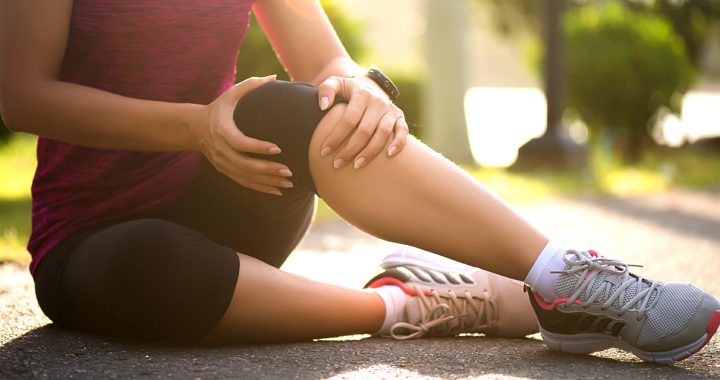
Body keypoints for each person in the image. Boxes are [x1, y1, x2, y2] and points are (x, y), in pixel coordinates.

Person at [1, 0, 717, 365]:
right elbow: (21, 94)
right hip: (94, 245)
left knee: (292, 104)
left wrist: (357, 88)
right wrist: (194, 128)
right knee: (165, 264)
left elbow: (326, 62)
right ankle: (416, 305)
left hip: (237, 193)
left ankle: (563, 278)